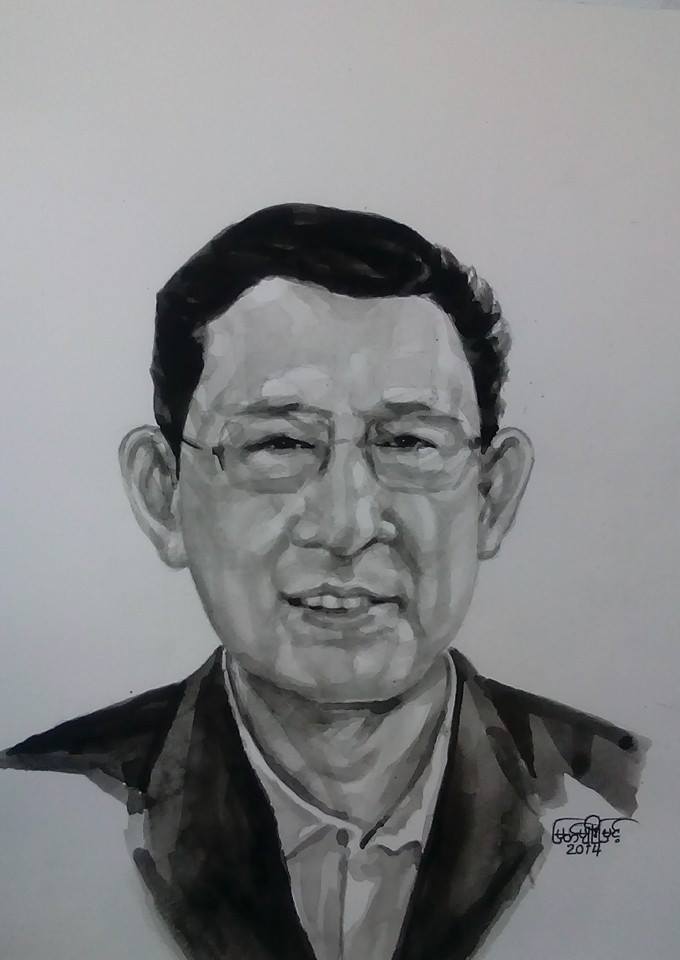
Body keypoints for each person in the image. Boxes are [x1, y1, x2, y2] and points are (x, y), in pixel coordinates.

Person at [1, 204, 647, 960]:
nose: (348, 524)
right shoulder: (41, 809)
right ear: (162, 492)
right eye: (280, 443)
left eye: (408, 442)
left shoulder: (626, 798)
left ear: (492, 495)